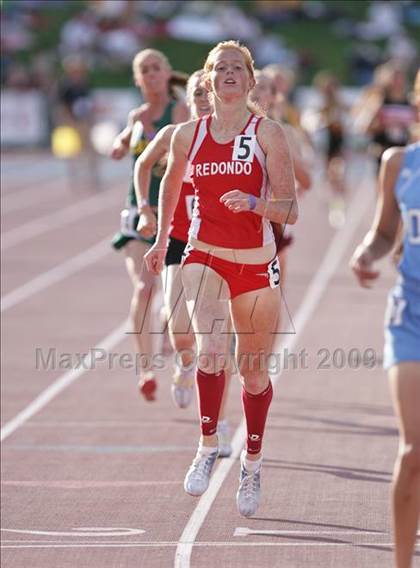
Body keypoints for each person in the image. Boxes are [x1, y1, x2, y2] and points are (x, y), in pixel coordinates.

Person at [145, 40, 298, 516]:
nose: (229, 73)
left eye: (238, 67)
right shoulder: (186, 135)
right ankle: (207, 444)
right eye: (220, 68)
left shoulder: (268, 133)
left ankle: (252, 460)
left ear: (251, 82)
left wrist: (255, 204)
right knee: (212, 353)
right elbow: (171, 185)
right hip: (203, 253)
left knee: (252, 371)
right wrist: (159, 238)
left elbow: (289, 208)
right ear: (208, 81)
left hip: (254, 259)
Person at [133, 69, 232, 456]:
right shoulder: (177, 136)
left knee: (218, 340)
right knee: (180, 334)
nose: (205, 98)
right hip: (178, 242)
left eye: (210, 92)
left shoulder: (234, 137)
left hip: (221, 246)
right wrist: (145, 208)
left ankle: (220, 425)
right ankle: (185, 365)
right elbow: (143, 166)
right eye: (198, 92)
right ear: (187, 98)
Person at [350, 71, 419, 568]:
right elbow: (382, 232)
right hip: (411, 315)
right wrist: (366, 254)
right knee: (414, 449)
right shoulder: (399, 163)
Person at [110, 48, 188, 401]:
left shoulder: (180, 111)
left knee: (174, 301)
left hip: (174, 213)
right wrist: (118, 143)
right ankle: (145, 367)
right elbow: (125, 140)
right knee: (143, 288)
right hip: (138, 213)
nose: (152, 74)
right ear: (137, 79)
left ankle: (171, 325)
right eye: (145, 69)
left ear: (167, 72)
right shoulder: (138, 116)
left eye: (157, 67)